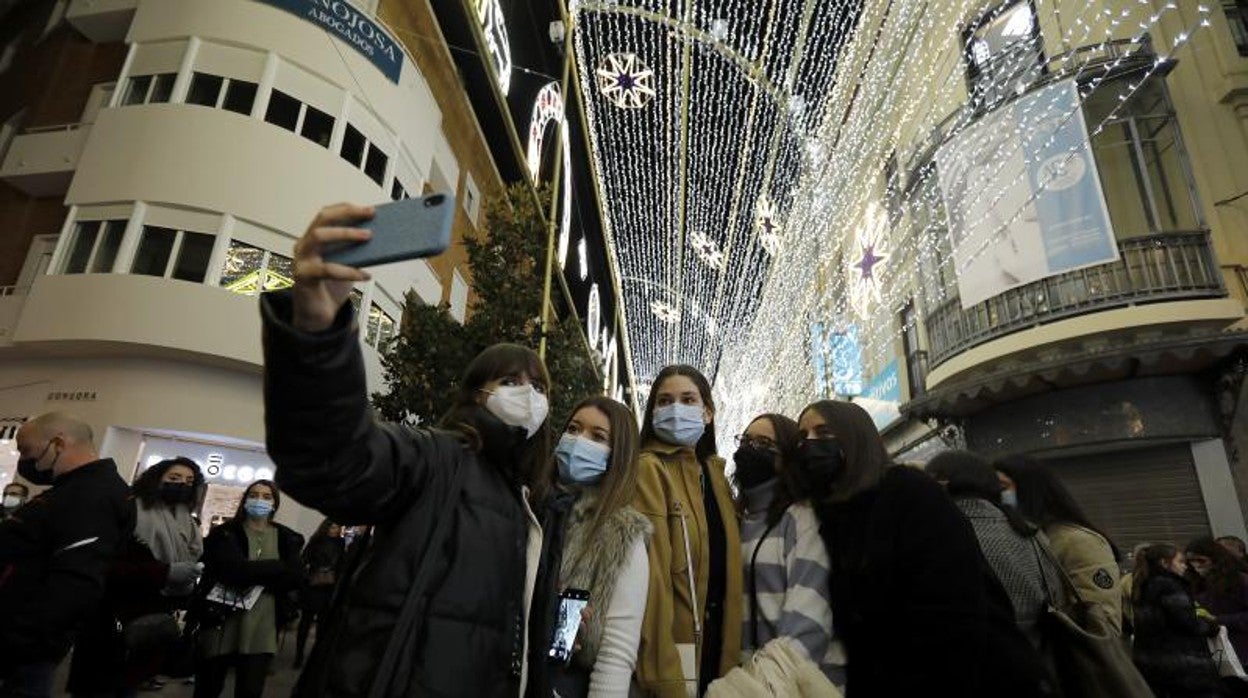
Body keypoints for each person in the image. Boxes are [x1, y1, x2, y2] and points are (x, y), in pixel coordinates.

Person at [263, 203, 561, 696]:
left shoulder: (532, 498)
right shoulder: (436, 458)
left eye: (539, 387)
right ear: (476, 393)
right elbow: (337, 463)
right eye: (510, 380)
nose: (529, 396)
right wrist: (315, 333)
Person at [799, 400, 1057, 696]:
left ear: (857, 438)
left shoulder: (910, 494)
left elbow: (954, 616)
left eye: (824, 432)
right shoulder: (828, 516)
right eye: (802, 437)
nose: (810, 444)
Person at [0, 412, 134, 698]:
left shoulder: (92, 496)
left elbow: (75, 582)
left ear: (58, 443)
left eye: (26, 451)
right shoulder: (73, 491)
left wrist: (16, 639)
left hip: (25, 648)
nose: (24, 461)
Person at [529, 396, 652, 697]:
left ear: (618, 455)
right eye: (573, 429)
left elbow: (616, 654)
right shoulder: (527, 505)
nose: (578, 441)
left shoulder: (621, 533)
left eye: (598, 437)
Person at [633, 365, 742, 697]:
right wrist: (665, 678)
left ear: (707, 412)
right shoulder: (647, 469)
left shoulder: (716, 477)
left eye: (687, 399)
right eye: (664, 401)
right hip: (674, 662)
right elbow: (653, 585)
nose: (675, 408)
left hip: (718, 655)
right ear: (652, 414)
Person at [67, 457, 206, 696]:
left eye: (189, 481)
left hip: (154, 615)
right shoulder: (132, 509)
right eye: (174, 478)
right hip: (115, 613)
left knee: (129, 683)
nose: (182, 484)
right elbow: (110, 564)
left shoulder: (187, 520)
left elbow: (192, 554)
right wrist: (167, 573)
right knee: (102, 683)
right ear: (156, 478)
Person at [733, 413, 843, 685]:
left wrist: (762, 684)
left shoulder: (801, 518)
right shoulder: (736, 522)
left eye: (763, 443)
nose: (750, 449)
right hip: (751, 679)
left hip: (799, 682)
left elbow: (808, 623)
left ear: (787, 458)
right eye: (745, 441)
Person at [925, 450, 1066, 651]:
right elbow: (1054, 598)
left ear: (940, 483)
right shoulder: (1030, 531)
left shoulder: (940, 535)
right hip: (1035, 662)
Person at [193, 480, 304, 698]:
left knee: (250, 690)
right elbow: (234, 572)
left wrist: (252, 573)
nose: (259, 500)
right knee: (208, 687)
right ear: (245, 500)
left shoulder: (287, 538)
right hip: (221, 622)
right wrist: (278, 568)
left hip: (262, 625)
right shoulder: (225, 533)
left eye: (266, 496)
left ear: (274, 504)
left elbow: (296, 576)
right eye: (254, 495)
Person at [996, 454, 1123, 634]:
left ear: (1030, 489)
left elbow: (1103, 624)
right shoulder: (1015, 539)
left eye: (1002, 487)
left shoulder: (1077, 541)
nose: (996, 497)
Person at [1131, 544, 1222, 697]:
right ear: (1164, 563)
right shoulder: (1169, 585)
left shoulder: (1143, 584)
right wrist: (1211, 626)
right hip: (1182, 662)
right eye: (1180, 562)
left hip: (1153, 661)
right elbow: (1186, 622)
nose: (1185, 566)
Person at [1186, 537, 1248, 663]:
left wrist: (1217, 620)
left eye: (1201, 560)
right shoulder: (1193, 583)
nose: (1196, 565)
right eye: (1191, 561)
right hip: (1215, 652)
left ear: (1215, 558)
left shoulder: (1240, 580)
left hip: (1240, 648)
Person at [295, 518, 346, 668]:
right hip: (313, 586)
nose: (335, 530)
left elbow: (341, 563)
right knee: (306, 621)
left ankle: (316, 657)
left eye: (337, 527)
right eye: (332, 527)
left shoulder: (340, 543)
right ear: (326, 527)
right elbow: (304, 559)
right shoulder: (316, 540)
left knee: (323, 625)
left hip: (329, 587)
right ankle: (299, 655)